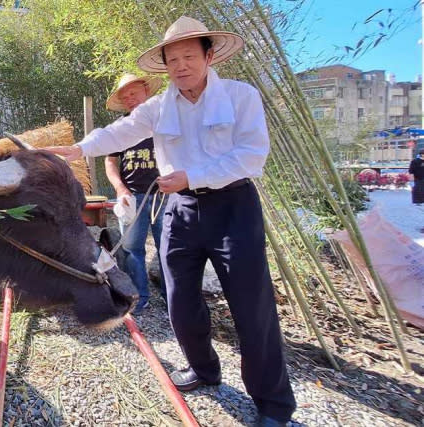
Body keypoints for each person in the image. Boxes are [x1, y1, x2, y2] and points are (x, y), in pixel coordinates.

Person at [45, 16, 296, 427]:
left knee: (252, 307)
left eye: (188, 56)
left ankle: (273, 404)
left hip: (233, 207)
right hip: (179, 209)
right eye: (172, 59)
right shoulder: (158, 107)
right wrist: (76, 150)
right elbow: (120, 132)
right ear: (164, 66)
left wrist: (192, 176)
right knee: (180, 299)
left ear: (209, 56)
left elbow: (252, 155)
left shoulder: (240, 96)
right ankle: (203, 369)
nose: (180, 66)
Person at [103, 73, 168, 314]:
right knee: (132, 250)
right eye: (125, 96)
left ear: (146, 91)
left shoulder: (166, 121)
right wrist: (120, 189)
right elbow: (110, 163)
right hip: (133, 197)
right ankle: (139, 299)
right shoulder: (121, 128)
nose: (131, 99)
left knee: (170, 249)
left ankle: (174, 300)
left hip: (167, 197)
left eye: (134, 93)